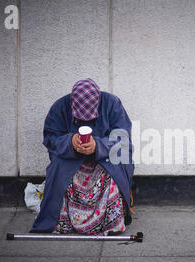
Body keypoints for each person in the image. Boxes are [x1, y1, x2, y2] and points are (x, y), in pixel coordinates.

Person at [30, 78, 134, 235]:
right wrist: (70, 142)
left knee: (115, 172)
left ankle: (108, 222)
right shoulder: (60, 107)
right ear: (72, 103)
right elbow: (50, 139)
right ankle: (67, 222)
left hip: (104, 161)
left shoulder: (112, 104)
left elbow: (123, 139)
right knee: (60, 176)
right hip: (72, 161)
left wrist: (98, 146)